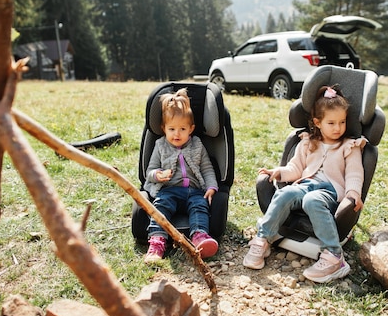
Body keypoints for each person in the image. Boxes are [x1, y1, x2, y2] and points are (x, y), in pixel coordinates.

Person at [243, 85, 366, 283]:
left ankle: (335, 257)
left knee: (312, 200)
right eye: (331, 123)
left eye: (342, 122)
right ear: (317, 122)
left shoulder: (350, 146)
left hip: (329, 192)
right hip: (306, 184)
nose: (338, 128)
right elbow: (295, 168)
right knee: (285, 194)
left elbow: (354, 173)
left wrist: (353, 194)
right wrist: (279, 172)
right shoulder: (308, 142)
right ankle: (263, 239)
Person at [143, 88, 219, 263]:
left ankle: (199, 237)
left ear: (191, 129)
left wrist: (211, 187)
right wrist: (158, 174)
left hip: (194, 190)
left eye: (182, 129)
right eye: (171, 129)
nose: (176, 134)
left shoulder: (197, 145)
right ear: (164, 129)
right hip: (169, 190)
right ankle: (157, 241)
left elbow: (207, 168)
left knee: (199, 207)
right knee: (161, 206)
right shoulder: (160, 145)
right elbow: (150, 171)